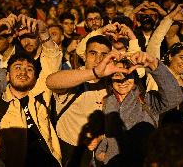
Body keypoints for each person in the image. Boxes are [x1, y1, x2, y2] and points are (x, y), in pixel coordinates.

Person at [0, 14, 62, 167]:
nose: (23, 72)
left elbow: (52, 60)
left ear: (35, 78)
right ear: (7, 76)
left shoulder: (41, 94)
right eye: (17, 68)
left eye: (29, 69)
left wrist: (43, 33)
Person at [46, 35, 126, 167]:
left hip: (99, 151)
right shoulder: (74, 78)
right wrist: (94, 73)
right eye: (93, 53)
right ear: (84, 56)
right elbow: (50, 82)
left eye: (104, 55)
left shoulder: (113, 82)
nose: (98, 59)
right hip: (70, 149)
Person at [94, 52, 183, 166]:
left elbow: (175, 97)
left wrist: (154, 65)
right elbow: (108, 134)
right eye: (117, 75)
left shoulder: (146, 100)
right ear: (110, 79)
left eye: (127, 75)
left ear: (135, 77)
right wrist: (102, 150)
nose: (122, 81)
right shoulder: (107, 101)